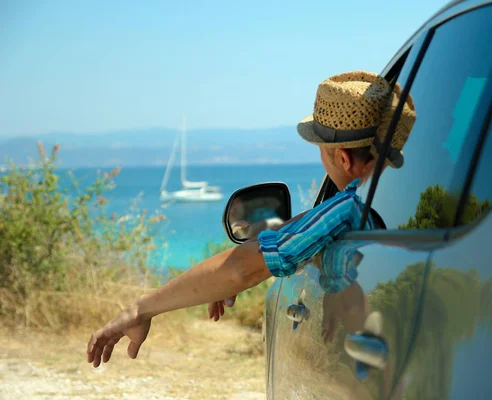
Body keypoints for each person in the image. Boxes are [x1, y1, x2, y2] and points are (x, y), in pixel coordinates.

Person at [86, 70, 416, 367]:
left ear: (342, 157)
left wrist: (140, 309)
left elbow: (242, 268)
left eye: (320, 151)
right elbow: (307, 226)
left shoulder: (349, 207)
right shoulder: (397, 196)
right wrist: (213, 280)